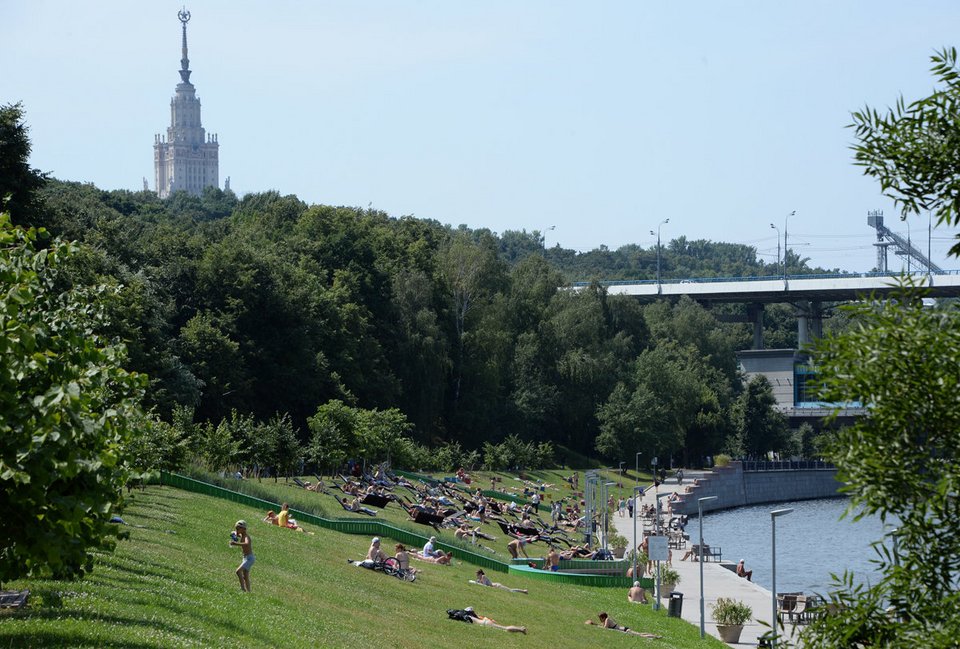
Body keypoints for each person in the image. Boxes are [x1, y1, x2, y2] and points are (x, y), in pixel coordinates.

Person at [586, 612, 661, 638]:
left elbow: (605, 628)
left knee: (640, 635)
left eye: (600, 618)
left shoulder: (607, 620)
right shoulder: (606, 620)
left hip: (625, 630)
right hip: (624, 629)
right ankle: (654, 635)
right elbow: (603, 626)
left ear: (603, 617)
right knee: (640, 634)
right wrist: (594, 624)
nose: (600, 619)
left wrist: (595, 625)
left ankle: (655, 636)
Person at [230, 520, 253, 592]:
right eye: (236, 529)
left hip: (249, 558)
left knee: (238, 571)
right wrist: (233, 533)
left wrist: (235, 544)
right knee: (245, 576)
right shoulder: (242, 535)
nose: (237, 530)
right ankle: (249, 592)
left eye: (238, 529)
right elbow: (236, 534)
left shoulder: (246, 537)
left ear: (244, 529)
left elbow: (247, 543)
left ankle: (243, 589)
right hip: (245, 558)